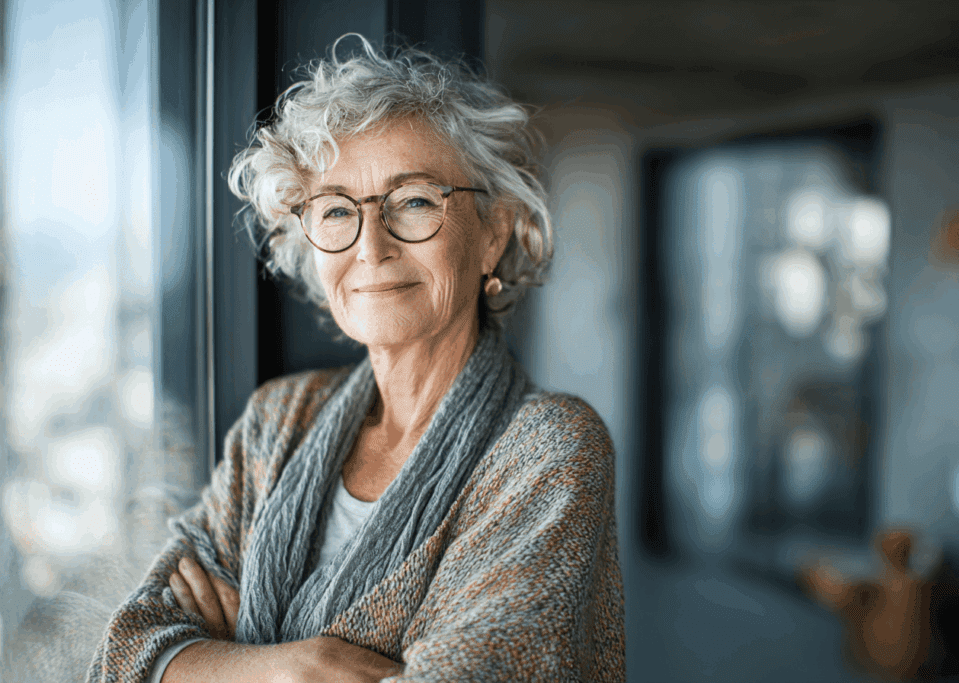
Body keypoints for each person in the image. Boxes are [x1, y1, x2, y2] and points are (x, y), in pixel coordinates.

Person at [88, 35, 625, 683]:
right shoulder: (279, 416)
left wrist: (226, 656)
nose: (371, 245)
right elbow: (123, 654)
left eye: (416, 201)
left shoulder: (549, 446)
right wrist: (291, 668)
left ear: (494, 232)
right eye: (337, 209)